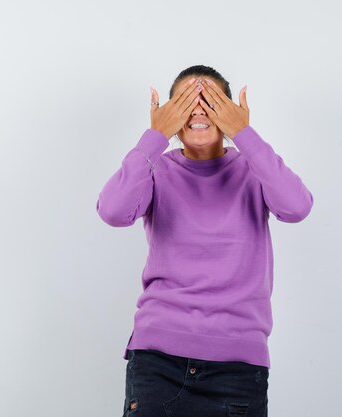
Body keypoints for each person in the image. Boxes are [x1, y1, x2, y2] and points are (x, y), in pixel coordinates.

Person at [96, 65, 313, 417]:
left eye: (210, 100)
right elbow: (112, 211)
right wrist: (155, 136)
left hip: (238, 368)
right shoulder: (156, 169)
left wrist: (244, 133)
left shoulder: (254, 169)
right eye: (185, 101)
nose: (197, 109)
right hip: (158, 361)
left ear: (230, 112)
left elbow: (297, 206)